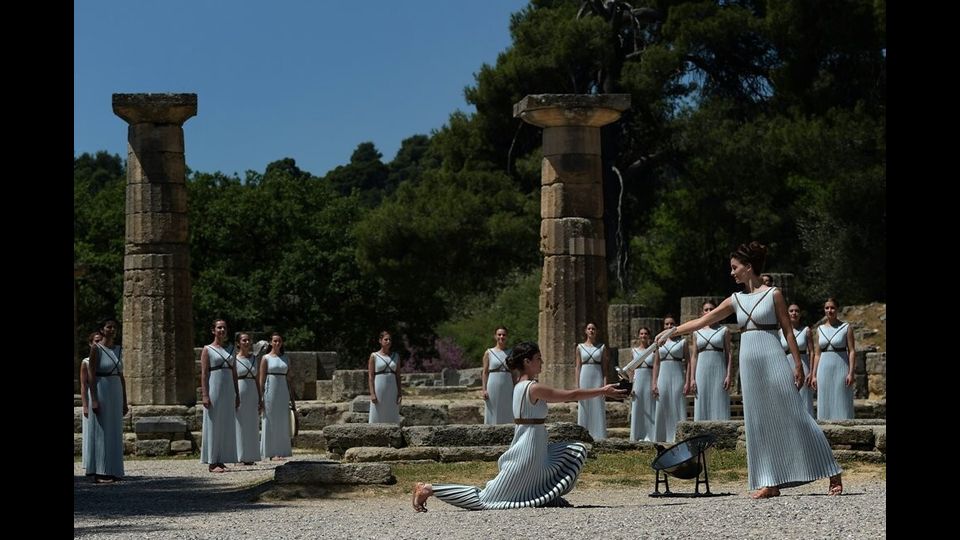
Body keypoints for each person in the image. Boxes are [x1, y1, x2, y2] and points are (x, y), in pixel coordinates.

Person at [655, 241, 843, 498]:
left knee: (795, 414)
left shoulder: (773, 294)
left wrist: (798, 364)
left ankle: (832, 470)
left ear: (748, 267)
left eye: (735, 267)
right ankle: (770, 480)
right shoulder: (735, 300)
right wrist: (673, 331)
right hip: (749, 361)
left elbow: (787, 330)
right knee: (757, 421)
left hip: (773, 356)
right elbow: (704, 320)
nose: (731, 273)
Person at [411, 341, 628, 511]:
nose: (541, 363)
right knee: (486, 498)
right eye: (538, 359)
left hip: (533, 441)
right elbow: (569, 395)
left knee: (572, 451)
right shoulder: (532, 388)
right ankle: (429, 489)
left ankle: (541, 496)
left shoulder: (519, 386)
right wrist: (603, 390)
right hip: (528, 447)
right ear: (527, 361)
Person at [85, 318, 129, 483]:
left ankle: (114, 469)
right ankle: (100, 471)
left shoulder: (118, 349)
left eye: (114, 327)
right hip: (101, 388)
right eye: (109, 327)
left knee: (115, 430)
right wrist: (94, 399)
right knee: (102, 430)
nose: (112, 330)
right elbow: (91, 373)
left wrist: (124, 401)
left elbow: (121, 376)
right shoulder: (96, 349)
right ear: (102, 330)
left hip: (115, 389)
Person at [200, 319, 240, 473]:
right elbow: (204, 374)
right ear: (213, 330)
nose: (222, 330)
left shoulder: (231, 350)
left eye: (224, 327)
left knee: (226, 423)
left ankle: (221, 458)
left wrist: (237, 394)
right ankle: (212, 461)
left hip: (228, 390)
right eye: (219, 327)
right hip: (214, 389)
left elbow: (235, 373)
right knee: (214, 423)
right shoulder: (207, 349)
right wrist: (205, 394)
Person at [811, 298, 856, 420]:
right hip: (823, 368)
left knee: (842, 398)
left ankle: (846, 430)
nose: (829, 310)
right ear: (824, 310)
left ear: (837, 309)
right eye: (827, 308)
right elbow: (817, 354)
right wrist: (814, 375)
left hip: (841, 367)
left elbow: (852, 351)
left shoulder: (846, 327)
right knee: (825, 398)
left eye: (832, 308)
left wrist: (851, 373)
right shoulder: (819, 329)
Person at [689, 301, 732, 421]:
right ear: (702, 312)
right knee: (702, 399)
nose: (708, 312)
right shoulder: (697, 332)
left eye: (711, 309)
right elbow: (694, 356)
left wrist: (728, 375)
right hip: (701, 371)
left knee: (719, 399)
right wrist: (692, 378)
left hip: (719, 369)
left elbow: (728, 353)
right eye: (706, 309)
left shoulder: (724, 330)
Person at [259, 332, 295, 460]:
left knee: (282, 420)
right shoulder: (266, 358)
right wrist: (261, 398)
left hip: (283, 391)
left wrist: (292, 397)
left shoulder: (286, 358)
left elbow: (290, 378)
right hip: (270, 390)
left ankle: (282, 450)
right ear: (270, 342)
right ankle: (271, 452)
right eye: (275, 341)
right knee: (271, 419)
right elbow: (261, 380)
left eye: (279, 341)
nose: (277, 343)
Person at [652, 314, 687, 442]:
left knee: (678, 404)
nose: (669, 326)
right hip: (663, 376)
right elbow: (656, 364)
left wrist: (688, 381)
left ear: (676, 325)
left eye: (671, 324)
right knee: (663, 404)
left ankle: (679, 436)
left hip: (678, 375)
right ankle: (662, 437)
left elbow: (688, 362)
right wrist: (654, 383)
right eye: (666, 324)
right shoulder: (659, 343)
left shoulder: (683, 342)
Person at [575, 322, 609, 440]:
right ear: (585, 331)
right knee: (584, 404)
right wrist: (577, 386)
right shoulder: (580, 347)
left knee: (597, 404)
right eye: (589, 329)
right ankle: (583, 434)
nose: (591, 331)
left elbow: (605, 368)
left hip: (597, 376)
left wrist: (605, 386)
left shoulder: (602, 347)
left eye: (593, 329)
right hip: (584, 376)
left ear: (596, 331)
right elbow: (578, 367)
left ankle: (599, 435)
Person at [779, 304, 815, 417]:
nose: (794, 313)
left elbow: (812, 352)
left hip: (803, 366)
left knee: (804, 398)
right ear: (787, 313)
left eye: (797, 311)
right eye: (791, 311)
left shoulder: (806, 330)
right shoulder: (780, 332)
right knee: (787, 398)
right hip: (786, 366)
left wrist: (812, 372)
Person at [234, 332, 262, 465]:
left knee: (252, 424)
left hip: (252, 392)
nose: (246, 343)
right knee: (239, 424)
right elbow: (232, 379)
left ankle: (250, 456)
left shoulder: (255, 359)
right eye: (244, 340)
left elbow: (257, 379)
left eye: (248, 340)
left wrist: (260, 398)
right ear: (238, 343)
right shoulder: (234, 359)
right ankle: (239, 456)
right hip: (240, 390)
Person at [80, 330, 104, 478]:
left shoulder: (106, 361)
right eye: (95, 341)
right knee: (90, 431)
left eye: (100, 340)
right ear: (90, 343)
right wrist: (85, 405)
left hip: (103, 396)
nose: (98, 343)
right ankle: (90, 463)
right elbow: (83, 385)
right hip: (90, 398)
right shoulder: (86, 361)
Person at [628, 327, 657, 442]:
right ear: (639, 336)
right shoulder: (634, 351)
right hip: (638, 380)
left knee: (650, 407)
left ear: (649, 336)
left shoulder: (654, 350)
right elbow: (631, 369)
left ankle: (650, 435)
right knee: (638, 407)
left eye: (645, 333)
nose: (643, 336)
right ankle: (636, 435)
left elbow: (655, 367)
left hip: (649, 379)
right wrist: (631, 385)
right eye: (641, 334)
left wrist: (655, 383)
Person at [368, 331, 402, 423]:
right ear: (380, 340)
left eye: (390, 339)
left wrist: (399, 393)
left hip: (392, 389)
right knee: (377, 412)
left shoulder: (396, 356)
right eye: (386, 339)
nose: (388, 341)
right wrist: (372, 393)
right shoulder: (374, 356)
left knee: (392, 412)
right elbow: (371, 376)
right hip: (379, 388)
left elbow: (398, 376)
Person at [481, 326, 514, 425]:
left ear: (507, 337)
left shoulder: (511, 353)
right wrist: (484, 389)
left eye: (504, 335)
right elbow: (485, 372)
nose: (501, 337)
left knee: (507, 408)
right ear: (495, 336)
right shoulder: (489, 352)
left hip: (507, 383)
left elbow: (514, 371)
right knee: (493, 409)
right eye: (499, 334)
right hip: (493, 382)